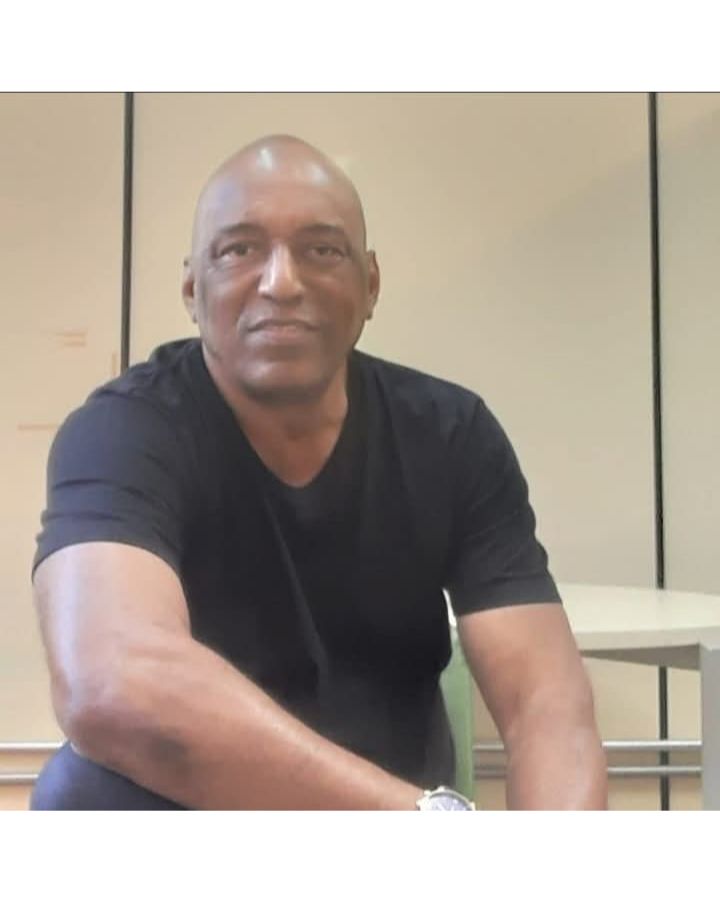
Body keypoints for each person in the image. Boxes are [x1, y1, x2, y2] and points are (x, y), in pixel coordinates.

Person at [30, 134, 607, 810]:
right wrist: (429, 826)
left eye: (322, 250)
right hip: (206, 818)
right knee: (79, 793)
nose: (281, 282)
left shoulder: (452, 434)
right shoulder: (124, 432)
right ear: (192, 288)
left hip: (396, 815)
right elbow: (111, 684)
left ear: (370, 285)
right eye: (240, 250)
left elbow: (545, 705)